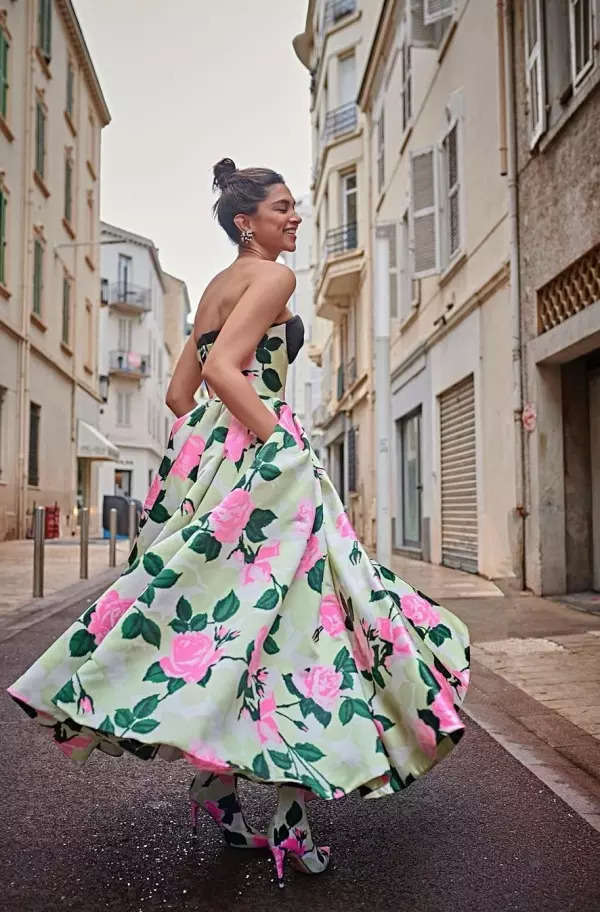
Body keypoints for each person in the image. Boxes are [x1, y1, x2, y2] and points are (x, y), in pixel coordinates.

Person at [7, 157, 470, 888]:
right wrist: (278, 444)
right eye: (282, 208)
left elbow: (180, 393)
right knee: (305, 626)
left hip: (214, 461)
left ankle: (221, 789)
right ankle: (289, 809)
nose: (295, 218)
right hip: (266, 459)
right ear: (245, 221)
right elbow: (225, 371)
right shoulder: (273, 278)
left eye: (295, 208)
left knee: (231, 625)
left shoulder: (219, 287)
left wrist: (220, 449)